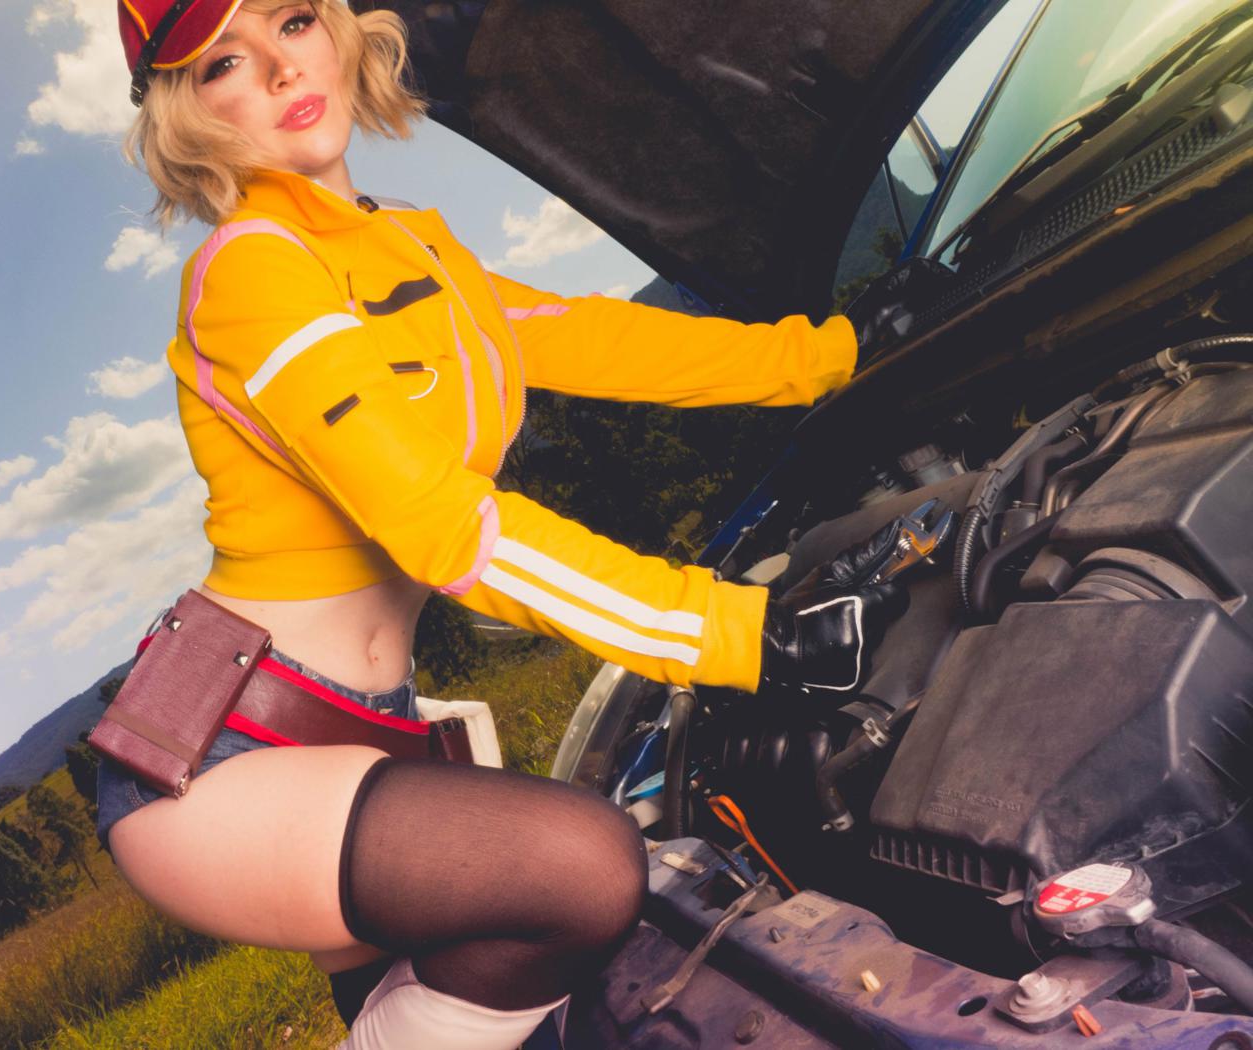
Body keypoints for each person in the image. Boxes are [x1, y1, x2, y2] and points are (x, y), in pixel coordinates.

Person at [97, 1, 901, 1045]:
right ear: (188, 114)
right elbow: (445, 525)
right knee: (583, 872)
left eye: (292, 20)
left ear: (337, 28)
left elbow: (597, 339)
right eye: (222, 65)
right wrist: (735, 632)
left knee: (481, 1012)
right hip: (221, 756)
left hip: (362, 725)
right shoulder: (250, 271)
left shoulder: (407, 246)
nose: (281, 69)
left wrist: (832, 357)